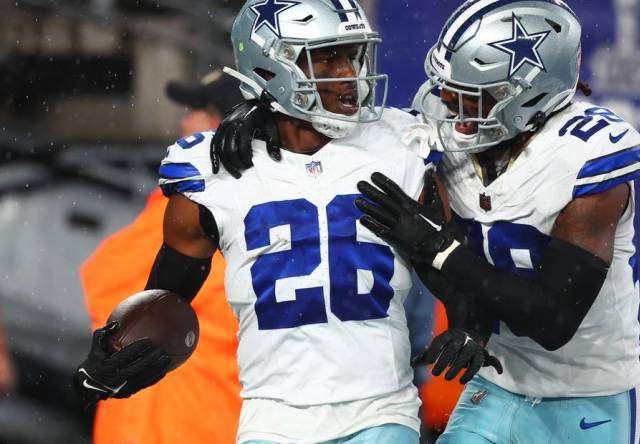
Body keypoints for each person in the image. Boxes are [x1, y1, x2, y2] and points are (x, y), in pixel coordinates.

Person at [210, 1, 640, 442]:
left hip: (591, 392)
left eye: (471, 92)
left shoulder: (585, 160)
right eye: (447, 86)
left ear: (523, 95)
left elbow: (552, 322)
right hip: (498, 382)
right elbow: (348, 126)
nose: (449, 103)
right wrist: (262, 110)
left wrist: (440, 249)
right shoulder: (450, 127)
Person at [73, 1, 499, 443]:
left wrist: (472, 325)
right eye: (328, 57)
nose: (348, 72)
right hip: (271, 418)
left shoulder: (401, 144)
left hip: (380, 409)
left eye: (352, 54)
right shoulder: (210, 170)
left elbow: (453, 268)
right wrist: (116, 349)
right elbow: (164, 297)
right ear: (272, 65)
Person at [80, 70, 244, 444]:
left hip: (186, 423)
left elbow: (106, 286)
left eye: (197, 110)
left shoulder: (188, 213)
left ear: (226, 125)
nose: (185, 121)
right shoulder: (269, 218)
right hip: (208, 421)